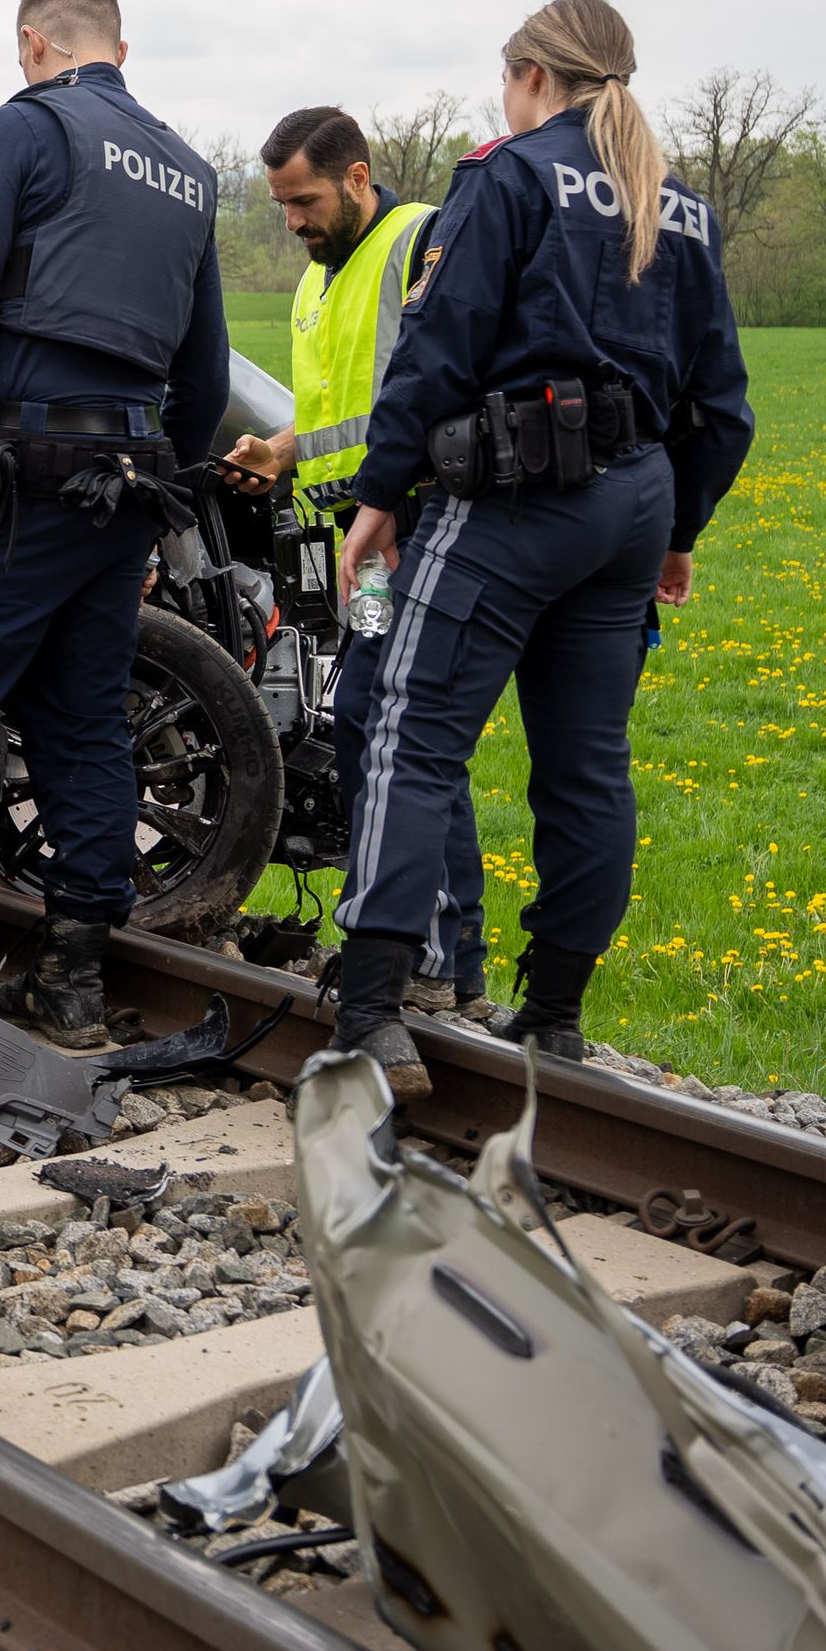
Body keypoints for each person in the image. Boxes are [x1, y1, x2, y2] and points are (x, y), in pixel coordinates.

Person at [326, 0, 754, 1094]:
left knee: (408, 737)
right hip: (633, 508)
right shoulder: (682, 207)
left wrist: (378, 496)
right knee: (586, 767)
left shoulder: (509, 176)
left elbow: (436, 348)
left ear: (529, 75)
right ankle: (553, 1016)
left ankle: (369, 1010)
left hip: (512, 500)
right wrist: (678, 529)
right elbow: (723, 402)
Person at [0, 0, 231, 1035]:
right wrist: (163, 486)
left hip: (19, 481)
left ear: (33, 43)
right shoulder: (187, 171)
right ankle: (73, 977)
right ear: (119, 51)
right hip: (127, 484)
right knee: (80, 723)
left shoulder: (20, 129)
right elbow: (203, 378)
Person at [225, 106, 486, 1018]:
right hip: (360, 547)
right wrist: (287, 452)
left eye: (305, 200)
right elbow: (352, 410)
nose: (293, 221)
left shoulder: (418, 241)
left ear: (359, 177)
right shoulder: (315, 284)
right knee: (374, 724)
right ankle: (428, 942)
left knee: (401, 728)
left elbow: (429, 393)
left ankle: (444, 950)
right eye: (282, 206)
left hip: (415, 525)